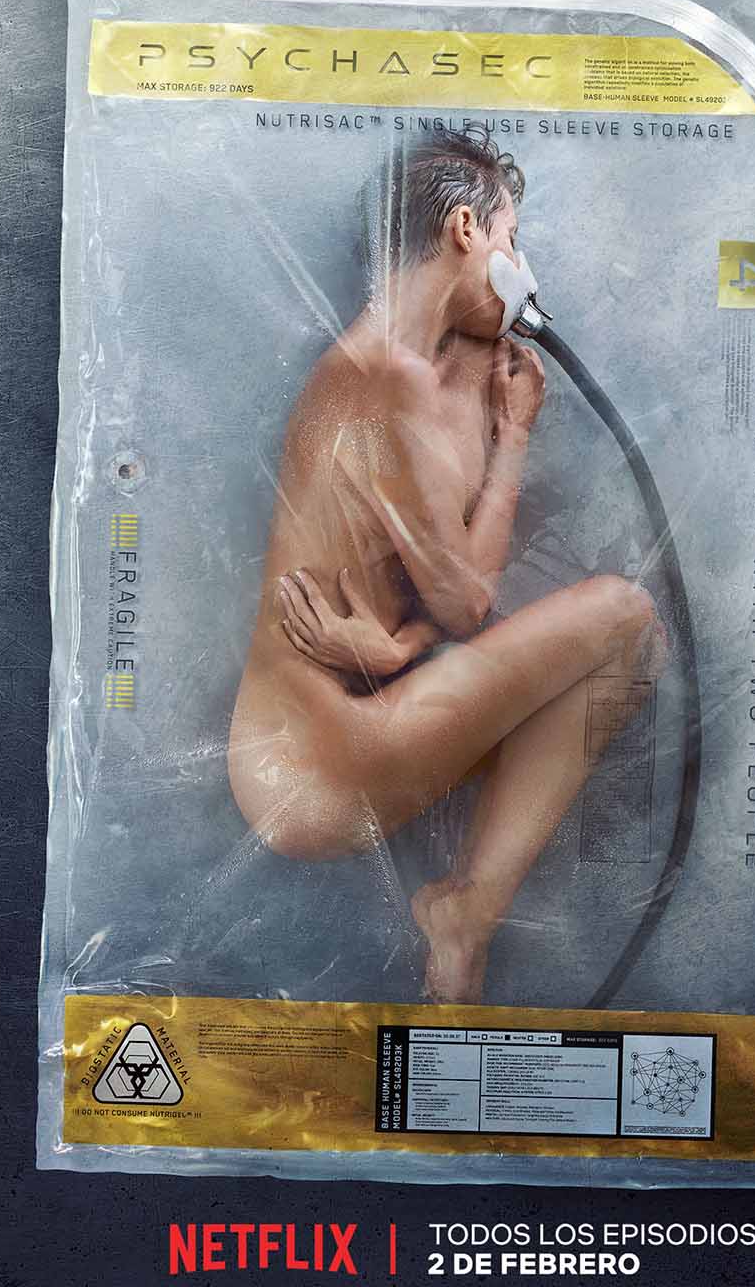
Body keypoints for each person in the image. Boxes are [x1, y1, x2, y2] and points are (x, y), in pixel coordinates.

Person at [229, 126, 665, 1002]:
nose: (522, 266)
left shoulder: (405, 366)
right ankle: (468, 913)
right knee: (626, 618)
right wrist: (518, 440)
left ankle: (465, 910)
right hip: (315, 761)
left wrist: (402, 646)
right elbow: (467, 602)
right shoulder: (388, 376)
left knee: (620, 653)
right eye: (511, 239)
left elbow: (447, 593)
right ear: (466, 230)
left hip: (312, 750)